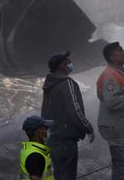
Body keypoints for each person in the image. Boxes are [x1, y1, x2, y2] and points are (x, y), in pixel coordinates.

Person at [41, 51, 94, 180]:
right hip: (66, 140)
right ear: (61, 66)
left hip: (53, 138)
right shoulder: (67, 83)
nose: (71, 65)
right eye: (68, 62)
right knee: (68, 176)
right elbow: (75, 110)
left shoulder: (49, 86)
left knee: (59, 175)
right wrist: (88, 128)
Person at [96, 42, 124, 180]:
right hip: (118, 127)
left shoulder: (120, 73)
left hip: (123, 126)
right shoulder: (111, 75)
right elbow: (111, 101)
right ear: (113, 57)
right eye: (120, 50)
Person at [20, 115, 54, 180]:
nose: (48, 131)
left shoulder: (27, 149)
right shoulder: (36, 156)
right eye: (46, 128)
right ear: (39, 133)